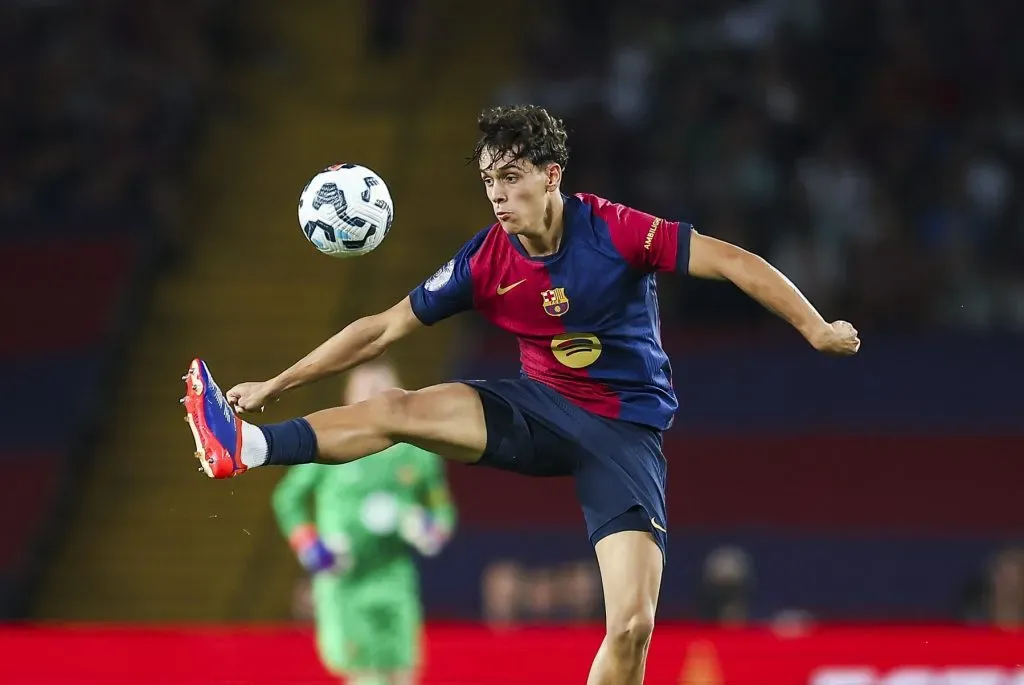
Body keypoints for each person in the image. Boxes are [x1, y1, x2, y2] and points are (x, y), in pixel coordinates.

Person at [181, 104, 860, 685]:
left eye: (511, 178)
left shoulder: (616, 231)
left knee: (631, 626)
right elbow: (381, 328)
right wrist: (275, 384)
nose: (499, 197)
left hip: (622, 434)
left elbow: (734, 260)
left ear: (550, 176)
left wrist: (817, 326)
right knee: (397, 410)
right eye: (488, 182)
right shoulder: (486, 261)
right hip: (538, 409)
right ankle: (247, 446)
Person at [271, 359, 455, 685]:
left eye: (382, 391)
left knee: (404, 674)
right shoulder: (330, 444)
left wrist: (428, 529)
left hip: (395, 580)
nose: (374, 399)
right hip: (346, 582)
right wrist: (311, 547)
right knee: (366, 678)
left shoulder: (418, 453)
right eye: (366, 392)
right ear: (349, 398)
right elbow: (288, 499)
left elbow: (442, 512)